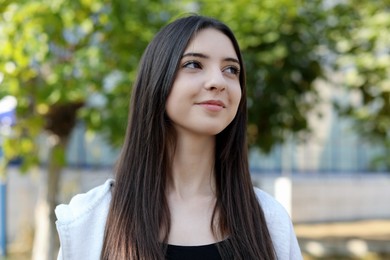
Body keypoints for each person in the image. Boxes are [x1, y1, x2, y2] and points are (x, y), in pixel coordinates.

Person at [55, 15, 302, 260]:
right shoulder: (90, 220)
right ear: (157, 80)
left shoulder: (269, 219)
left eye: (231, 69)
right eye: (194, 64)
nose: (218, 81)